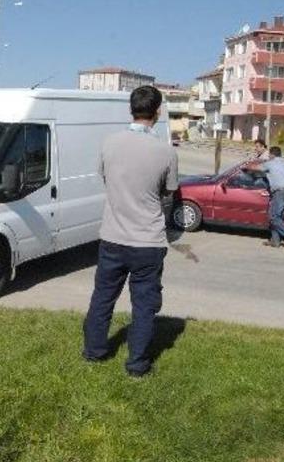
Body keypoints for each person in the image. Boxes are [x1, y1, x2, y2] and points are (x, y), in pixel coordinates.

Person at [82, 86, 178, 378]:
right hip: (148, 241)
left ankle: (94, 352)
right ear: (157, 112)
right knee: (144, 305)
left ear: (131, 109)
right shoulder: (166, 151)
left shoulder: (109, 143)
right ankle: (137, 364)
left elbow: (103, 177)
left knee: (102, 298)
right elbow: (169, 191)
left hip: (112, 237)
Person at [247, 146, 284, 249]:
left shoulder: (271, 163)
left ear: (271, 155)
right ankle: (275, 242)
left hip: (280, 192)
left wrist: (248, 164)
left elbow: (254, 168)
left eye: (269, 155)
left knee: (273, 217)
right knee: (277, 217)